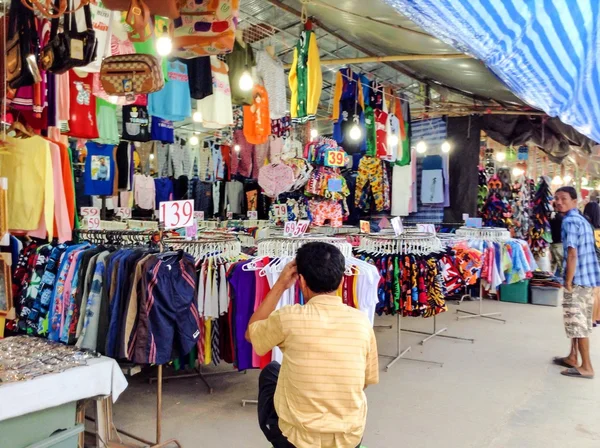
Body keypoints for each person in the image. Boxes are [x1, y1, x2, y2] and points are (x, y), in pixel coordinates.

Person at [246, 242, 379, 448]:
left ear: (301, 281)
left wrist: (280, 285)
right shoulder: (361, 322)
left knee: (272, 371)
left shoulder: (288, 318)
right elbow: (366, 380)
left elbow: (251, 333)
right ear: (342, 280)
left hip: (297, 437)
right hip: (349, 437)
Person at [553, 186, 600, 379]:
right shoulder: (581, 219)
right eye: (557, 199)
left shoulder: (570, 221)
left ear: (574, 201)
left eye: (564, 199)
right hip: (589, 278)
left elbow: (572, 253)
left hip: (579, 279)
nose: (559, 202)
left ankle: (586, 366)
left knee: (578, 323)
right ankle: (573, 357)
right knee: (577, 322)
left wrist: (569, 282)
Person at [583, 201, 600, 325]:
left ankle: (591, 319)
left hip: (592, 262)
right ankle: (597, 317)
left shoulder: (588, 227)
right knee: (598, 292)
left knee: (592, 292)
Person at [549, 211, 564, 277]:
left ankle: (550, 279)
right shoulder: (561, 217)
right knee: (560, 264)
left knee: (553, 263)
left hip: (553, 242)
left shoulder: (553, 216)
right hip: (558, 243)